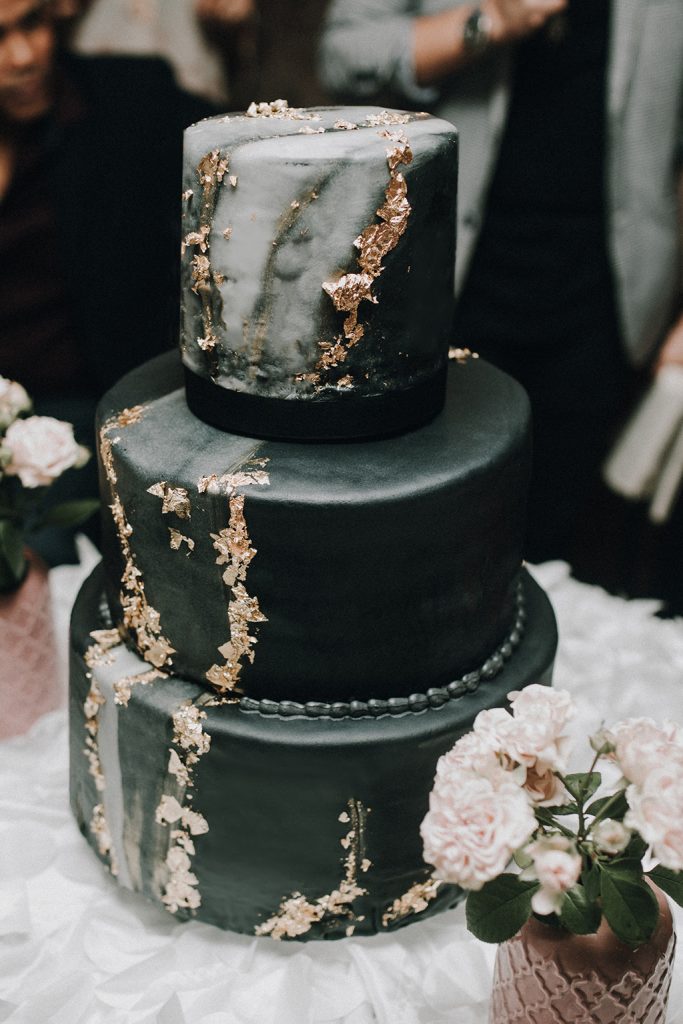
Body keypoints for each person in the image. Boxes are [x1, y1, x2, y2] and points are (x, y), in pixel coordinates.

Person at [319, 0, 683, 582]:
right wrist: (488, 21)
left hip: (610, 303)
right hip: (443, 284)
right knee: (417, 538)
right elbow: (343, 56)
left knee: (552, 546)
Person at [0, 0, 216, 561]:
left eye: (32, 24)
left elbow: (248, 151)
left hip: (94, 408)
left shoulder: (130, 100)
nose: (22, 56)